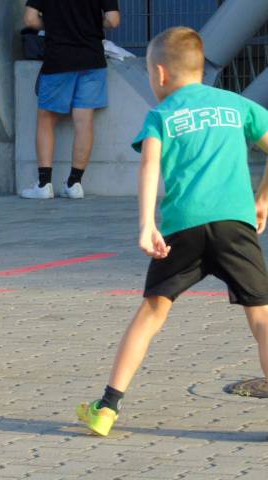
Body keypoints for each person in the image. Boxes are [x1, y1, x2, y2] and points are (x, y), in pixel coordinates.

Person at [77, 27, 268, 437]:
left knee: (152, 313)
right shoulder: (236, 105)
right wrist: (263, 198)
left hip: (183, 229)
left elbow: (149, 165)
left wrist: (147, 223)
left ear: (160, 74)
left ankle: (106, 407)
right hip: (235, 226)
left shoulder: (161, 116)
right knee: (262, 317)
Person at [20, 0, 120, 200]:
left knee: (46, 119)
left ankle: (44, 184)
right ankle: (74, 184)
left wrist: (53, 22)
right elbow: (113, 20)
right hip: (92, 59)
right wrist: (91, 23)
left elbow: (30, 19)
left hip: (59, 58)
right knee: (84, 121)